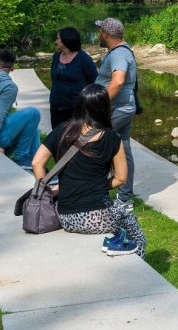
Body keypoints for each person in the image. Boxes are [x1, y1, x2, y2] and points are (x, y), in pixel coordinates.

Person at [32, 84, 145, 257]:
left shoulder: (62, 130)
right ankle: (138, 275)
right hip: (95, 217)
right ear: (105, 108)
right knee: (136, 235)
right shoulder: (112, 138)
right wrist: (95, 186)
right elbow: (121, 178)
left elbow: (37, 163)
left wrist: (46, 192)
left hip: (65, 216)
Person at [94, 17, 137, 208]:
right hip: (122, 108)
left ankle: (95, 190)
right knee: (124, 150)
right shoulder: (117, 52)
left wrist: (98, 105)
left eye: (99, 30)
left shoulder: (119, 54)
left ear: (106, 33)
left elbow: (118, 81)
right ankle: (124, 199)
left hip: (117, 109)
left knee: (94, 142)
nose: (98, 34)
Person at [49, 27, 98, 129]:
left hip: (77, 109)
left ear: (66, 40)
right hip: (56, 107)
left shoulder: (83, 58)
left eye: (58, 38)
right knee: (58, 139)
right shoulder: (56, 57)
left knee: (78, 140)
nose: (55, 41)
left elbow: (95, 81)